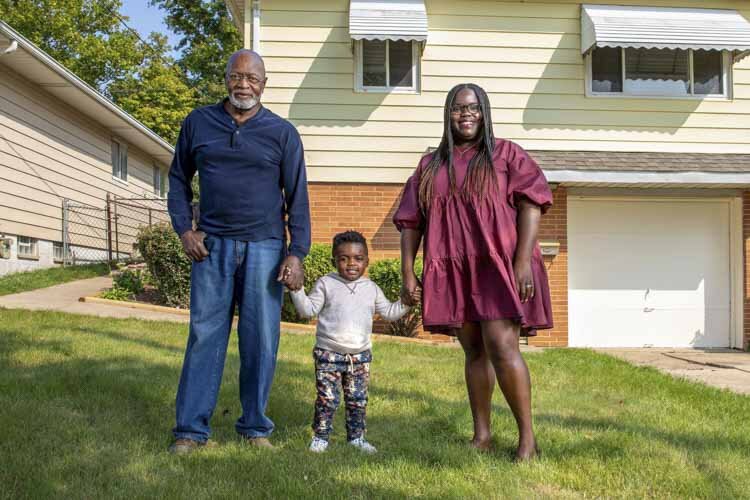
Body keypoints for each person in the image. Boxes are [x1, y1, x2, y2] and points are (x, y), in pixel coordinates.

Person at [393, 83, 553, 461]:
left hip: (498, 265)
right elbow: (411, 221)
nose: (467, 115)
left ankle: (527, 439)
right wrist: (407, 272)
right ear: (448, 113)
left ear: (485, 113)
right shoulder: (431, 165)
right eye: (459, 108)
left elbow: (532, 204)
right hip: (454, 268)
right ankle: (481, 435)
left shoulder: (505, 154)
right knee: (474, 350)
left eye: (474, 108)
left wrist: (521, 261)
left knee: (501, 345)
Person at [166, 49, 310, 454]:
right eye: (237, 76)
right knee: (204, 336)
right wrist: (184, 230)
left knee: (261, 339)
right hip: (211, 248)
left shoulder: (282, 133)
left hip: (265, 247)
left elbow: (297, 196)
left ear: (264, 84)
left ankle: (255, 426)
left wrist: (296, 253)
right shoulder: (198, 123)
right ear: (226, 78)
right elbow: (178, 179)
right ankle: (190, 431)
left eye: (253, 78)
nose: (244, 84)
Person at [289, 231, 416, 454]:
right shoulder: (326, 284)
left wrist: (405, 303)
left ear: (367, 260)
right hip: (328, 354)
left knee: (358, 400)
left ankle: (356, 438)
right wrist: (297, 289)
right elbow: (307, 310)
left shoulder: (371, 288)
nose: (351, 264)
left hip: (360, 356)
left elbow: (388, 312)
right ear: (334, 261)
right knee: (327, 399)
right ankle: (321, 437)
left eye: (358, 258)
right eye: (343, 258)